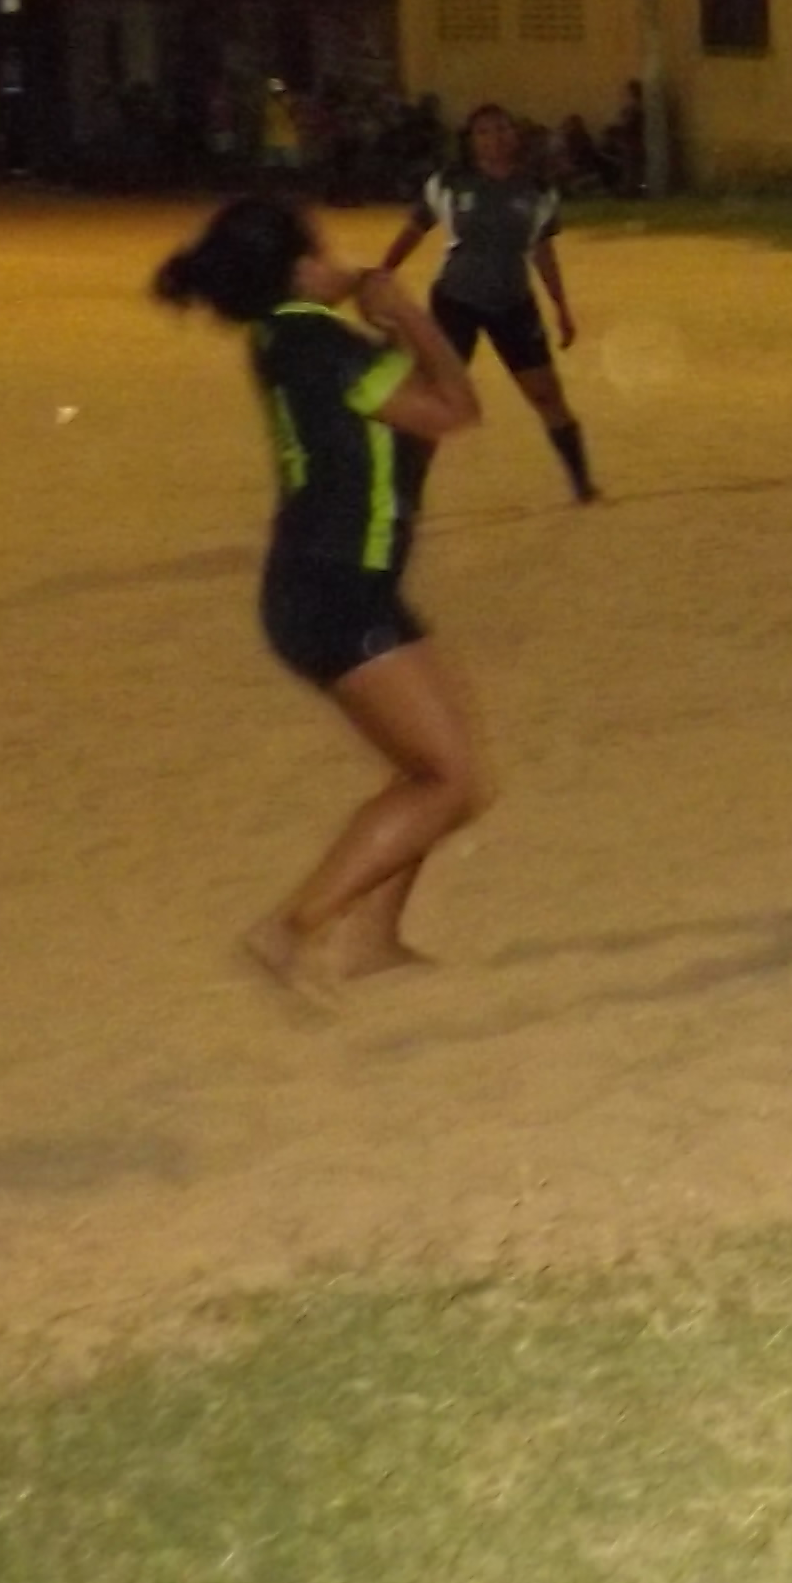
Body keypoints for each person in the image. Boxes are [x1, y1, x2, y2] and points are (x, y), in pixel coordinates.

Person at [153, 194, 491, 991]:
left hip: (324, 584)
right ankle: (292, 929)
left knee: (433, 769)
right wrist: (406, 312)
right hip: (339, 590)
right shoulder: (324, 346)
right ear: (301, 269)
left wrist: (370, 313)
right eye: (323, 251)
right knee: (449, 781)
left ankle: (373, 942)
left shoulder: (280, 337)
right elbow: (455, 409)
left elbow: (389, 416)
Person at [371, 103, 597, 503]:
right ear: (471, 141)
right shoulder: (450, 183)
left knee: (546, 395)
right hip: (456, 301)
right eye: (484, 132)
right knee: (438, 398)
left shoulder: (536, 189)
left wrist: (560, 306)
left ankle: (583, 484)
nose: (495, 138)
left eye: (502, 129)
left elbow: (542, 249)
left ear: (515, 135)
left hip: (513, 302)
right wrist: (384, 271)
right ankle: (405, 497)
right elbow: (415, 228)